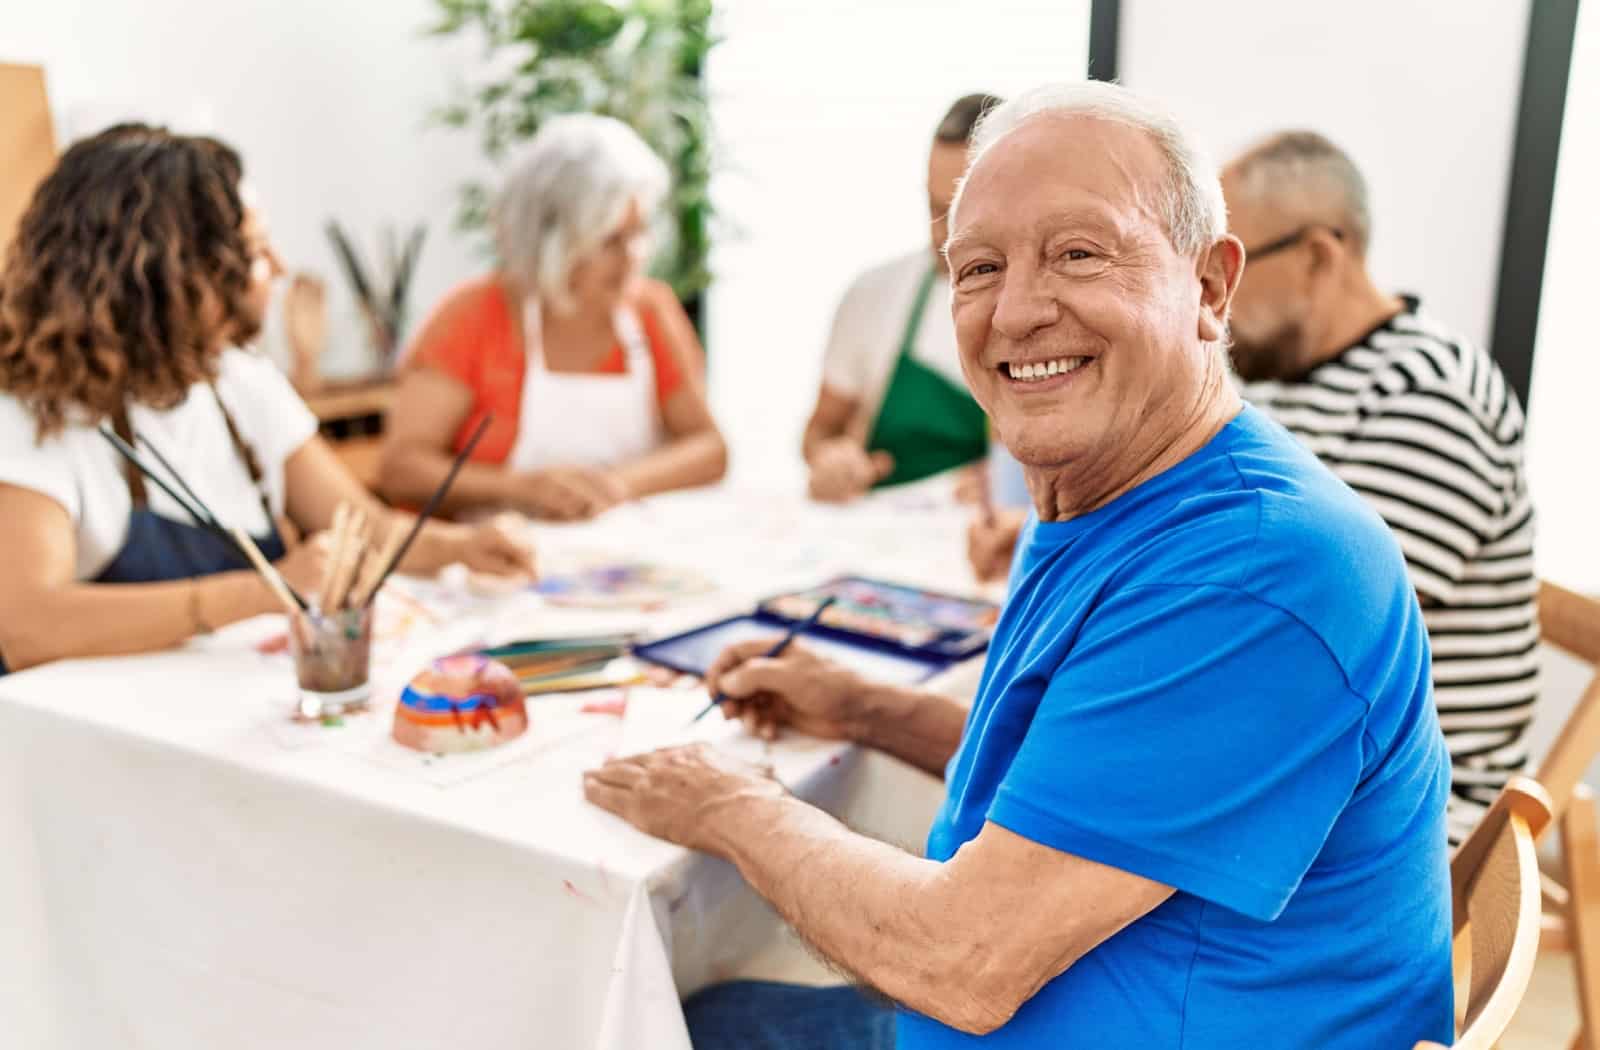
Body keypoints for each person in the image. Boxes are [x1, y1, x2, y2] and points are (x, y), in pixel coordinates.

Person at [584, 83, 1452, 1048]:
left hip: (1015, 997)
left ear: (1210, 287)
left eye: (1079, 253)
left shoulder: (1254, 572)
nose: (1018, 311)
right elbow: (1085, 778)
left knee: (625, 1009)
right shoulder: (1118, 489)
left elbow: (957, 962)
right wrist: (869, 708)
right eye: (979, 267)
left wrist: (729, 805)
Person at [0, 124, 536, 673]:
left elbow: (359, 527)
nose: (279, 268)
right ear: (173, 274)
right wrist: (262, 591)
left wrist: (461, 547)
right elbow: (26, 624)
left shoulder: (237, 379)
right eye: (255, 251)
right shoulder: (32, 411)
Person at [1222, 130, 1538, 845]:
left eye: (1234, 264)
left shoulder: (1429, 394)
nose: (1215, 295)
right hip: (1317, 757)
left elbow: (1325, 636)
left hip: (1412, 798)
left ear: (1317, 255)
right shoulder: (1290, 380)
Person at [380, 114, 726, 521]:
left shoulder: (651, 311)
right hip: (492, 559)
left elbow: (709, 449)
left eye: (640, 233)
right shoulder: (473, 316)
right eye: (611, 240)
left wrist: (614, 485)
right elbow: (401, 470)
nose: (633, 256)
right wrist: (518, 488)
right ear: (552, 241)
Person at [803, 93, 1000, 502]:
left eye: (958, 213)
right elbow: (820, 430)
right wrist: (831, 458)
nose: (940, 232)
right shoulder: (872, 296)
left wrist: (1008, 479)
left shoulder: (1043, 315)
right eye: (933, 205)